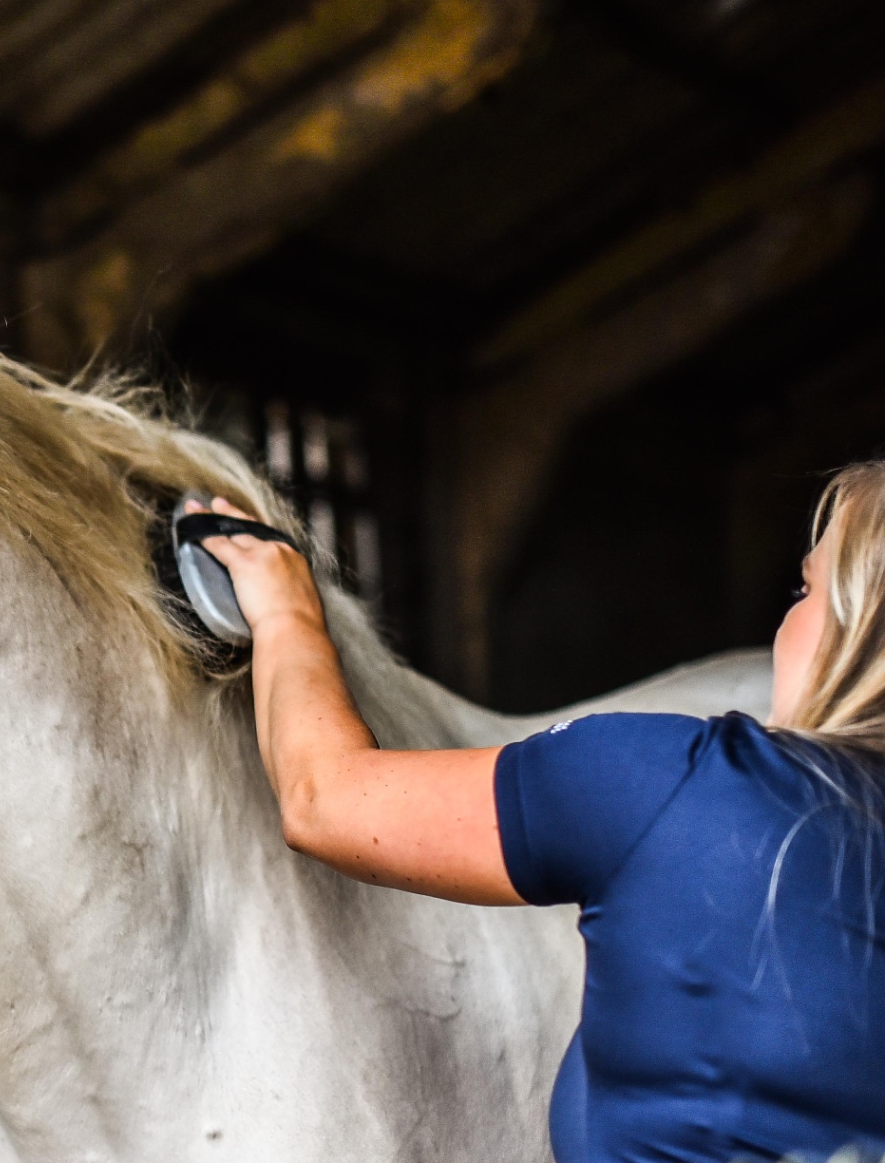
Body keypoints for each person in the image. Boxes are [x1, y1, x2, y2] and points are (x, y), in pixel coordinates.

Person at [192, 463, 885, 1163]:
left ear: (859, 627)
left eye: (808, 588)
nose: (790, 616)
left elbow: (326, 799)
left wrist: (287, 613)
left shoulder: (680, 780)